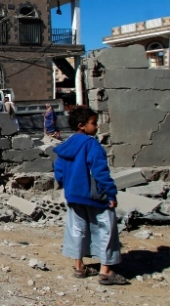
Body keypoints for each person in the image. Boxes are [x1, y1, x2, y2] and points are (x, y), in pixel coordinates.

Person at [54, 106, 127, 285]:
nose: (97, 127)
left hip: (74, 196)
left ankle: (79, 267)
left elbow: (59, 171)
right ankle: (105, 271)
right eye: (93, 123)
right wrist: (110, 194)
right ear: (82, 126)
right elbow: (100, 172)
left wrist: (69, 186)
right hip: (95, 197)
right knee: (106, 230)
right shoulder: (91, 144)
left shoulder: (66, 146)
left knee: (76, 229)